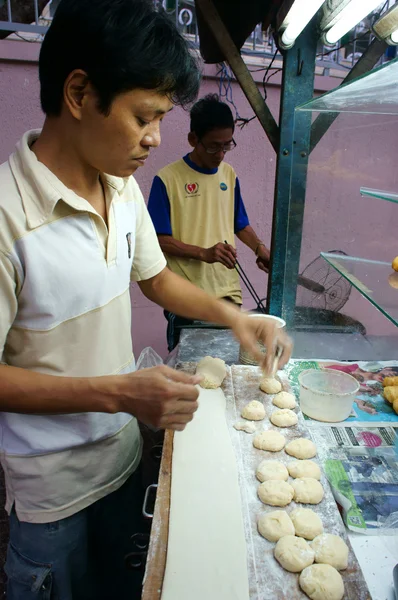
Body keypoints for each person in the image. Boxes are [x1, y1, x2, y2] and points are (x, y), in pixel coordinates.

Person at [0, 2, 291, 599]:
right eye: (144, 116)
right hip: (53, 495)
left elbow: (155, 278)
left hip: (124, 460)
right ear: (79, 93)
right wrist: (119, 392)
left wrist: (236, 317)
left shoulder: (122, 187)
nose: (155, 138)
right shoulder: (7, 220)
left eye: (161, 118)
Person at [148, 93, 272, 350]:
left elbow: (240, 224)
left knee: (227, 364)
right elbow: (157, 240)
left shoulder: (229, 175)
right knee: (190, 365)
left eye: (227, 145)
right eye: (214, 146)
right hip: (185, 295)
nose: (221, 154)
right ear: (194, 139)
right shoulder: (167, 179)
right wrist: (203, 253)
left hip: (228, 293)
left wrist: (259, 248)